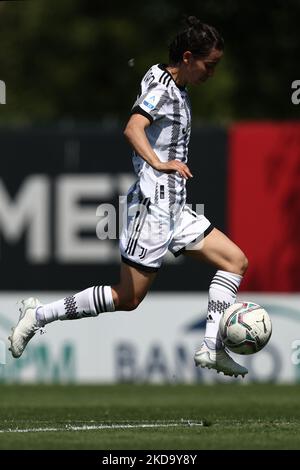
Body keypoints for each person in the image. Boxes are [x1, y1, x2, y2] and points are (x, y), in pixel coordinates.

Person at [9, 16, 248, 378]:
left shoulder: (167, 82)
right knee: (127, 298)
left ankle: (211, 346)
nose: (211, 73)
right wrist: (159, 163)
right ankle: (38, 315)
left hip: (174, 208)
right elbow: (133, 127)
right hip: (151, 209)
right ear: (187, 57)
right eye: (209, 65)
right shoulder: (164, 91)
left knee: (235, 261)